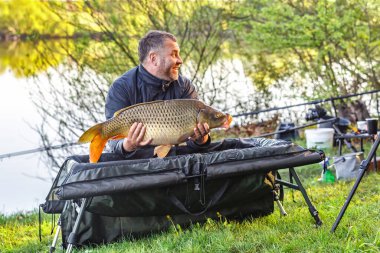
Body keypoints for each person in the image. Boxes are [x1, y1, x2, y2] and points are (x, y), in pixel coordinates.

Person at [105, 30, 211, 157]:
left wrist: (202, 139)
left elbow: (194, 146)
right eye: (174, 54)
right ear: (154, 58)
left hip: (172, 163)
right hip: (135, 166)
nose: (180, 60)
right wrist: (127, 145)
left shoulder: (184, 87)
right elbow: (113, 144)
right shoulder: (121, 88)